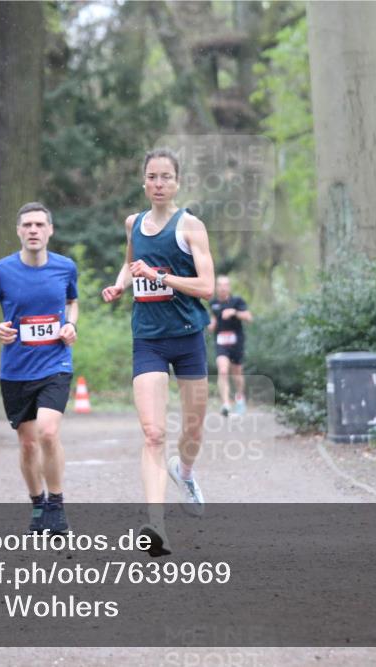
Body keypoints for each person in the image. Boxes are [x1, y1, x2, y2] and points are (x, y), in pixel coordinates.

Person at [102, 148, 215, 556]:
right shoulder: (134, 224)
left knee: (194, 429)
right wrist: (122, 284)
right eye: (152, 177)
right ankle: (155, 526)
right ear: (144, 181)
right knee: (153, 432)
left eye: (166, 177)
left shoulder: (192, 227)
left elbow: (205, 287)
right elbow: (131, 264)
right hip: (147, 337)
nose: (159, 184)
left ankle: (184, 472)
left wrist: (160, 275)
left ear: (177, 182)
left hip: (187, 337)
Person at [0, 202, 78, 535]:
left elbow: (73, 302)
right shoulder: (1, 271)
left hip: (55, 362)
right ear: (19, 231)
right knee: (28, 443)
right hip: (16, 370)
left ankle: (57, 507)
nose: (33, 230)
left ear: (50, 231)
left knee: (48, 431)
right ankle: (37, 506)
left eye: (39, 225)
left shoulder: (65, 267)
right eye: (27, 225)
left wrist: (70, 325)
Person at [208, 275, 252, 417]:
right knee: (222, 370)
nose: (222, 288)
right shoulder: (213, 303)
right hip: (221, 342)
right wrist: (210, 324)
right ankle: (225, 404)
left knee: (237, 373)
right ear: (216, 287)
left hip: (236, 342)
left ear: (229, 287)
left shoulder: (237, 301)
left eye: (225, 285)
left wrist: (235, 312)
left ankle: (239, 398)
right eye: (219, 285)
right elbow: (213, 320)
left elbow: (249, 317)